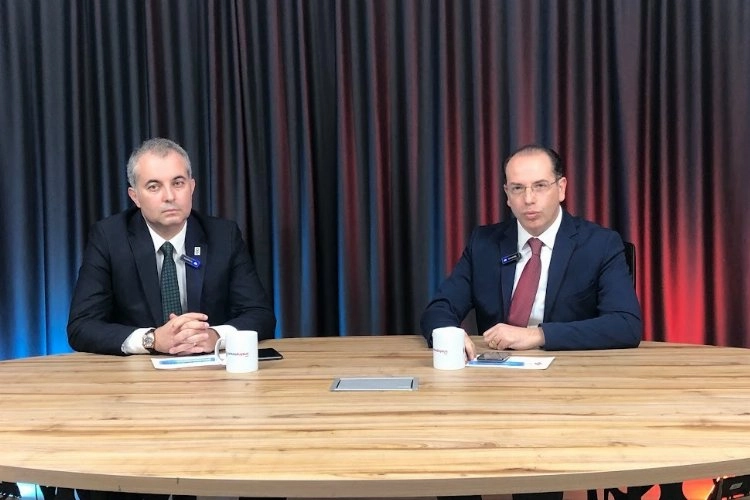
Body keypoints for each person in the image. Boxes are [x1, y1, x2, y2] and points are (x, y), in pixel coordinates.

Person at [420, 144, 643, 500]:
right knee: (450, 458)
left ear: (562, 188)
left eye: (540, 186)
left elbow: (626, 325)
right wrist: (450, 333)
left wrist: (538, 335)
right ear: (506, 195)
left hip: (567, 396)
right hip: (488, 391)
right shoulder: (485, 243)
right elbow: (439, 308)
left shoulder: (599, 244)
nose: (529, 199)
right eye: (518, 188)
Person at [68, 137, 276, 357]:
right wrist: (152, 339)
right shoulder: (109, 238)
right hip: (136, 373)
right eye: (154, 187)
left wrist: (215, 337)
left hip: (210, 369)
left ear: (191, 187)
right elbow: (81, 326)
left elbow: (260, 315)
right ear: (135, 196)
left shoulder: (223, 236)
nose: (169, 197)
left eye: (178, 183)